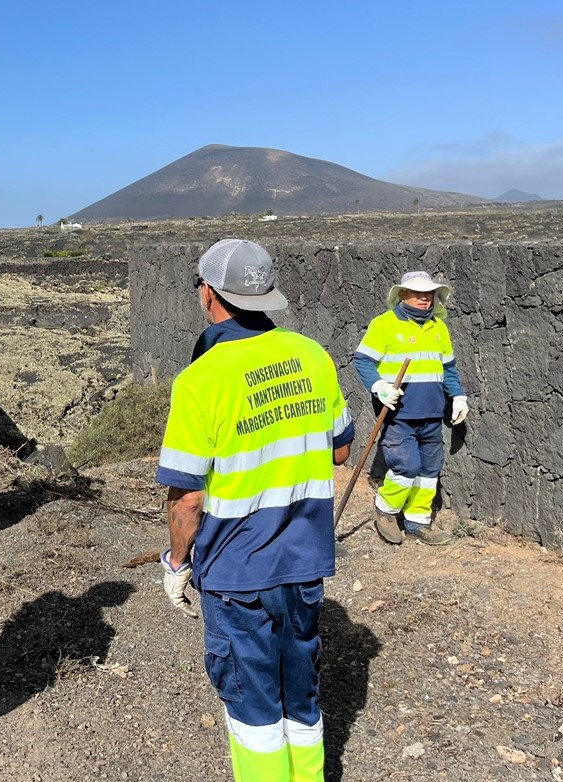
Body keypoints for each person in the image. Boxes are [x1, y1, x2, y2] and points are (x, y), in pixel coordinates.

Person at [156, 239, 355, 781]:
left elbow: (189, 496)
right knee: (300, 691)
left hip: (237, 568)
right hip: (303, 560)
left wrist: (176, 565)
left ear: (208, 293)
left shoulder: (201, 378)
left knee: (252, 704)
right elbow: (339, 450)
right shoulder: (312, 355)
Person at [353, 270, 467, 546]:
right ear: (402, 294)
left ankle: (418, 522)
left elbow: (448, 368)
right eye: (417, 293)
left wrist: (458, 396)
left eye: (428, 294)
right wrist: (379, 386)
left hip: (432, 413)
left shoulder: (439, 327)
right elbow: (363, 360)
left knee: (429, 470)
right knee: (406, 466)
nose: (424, 298)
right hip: (398, 414)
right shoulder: (384, 324)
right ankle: (386, 510)